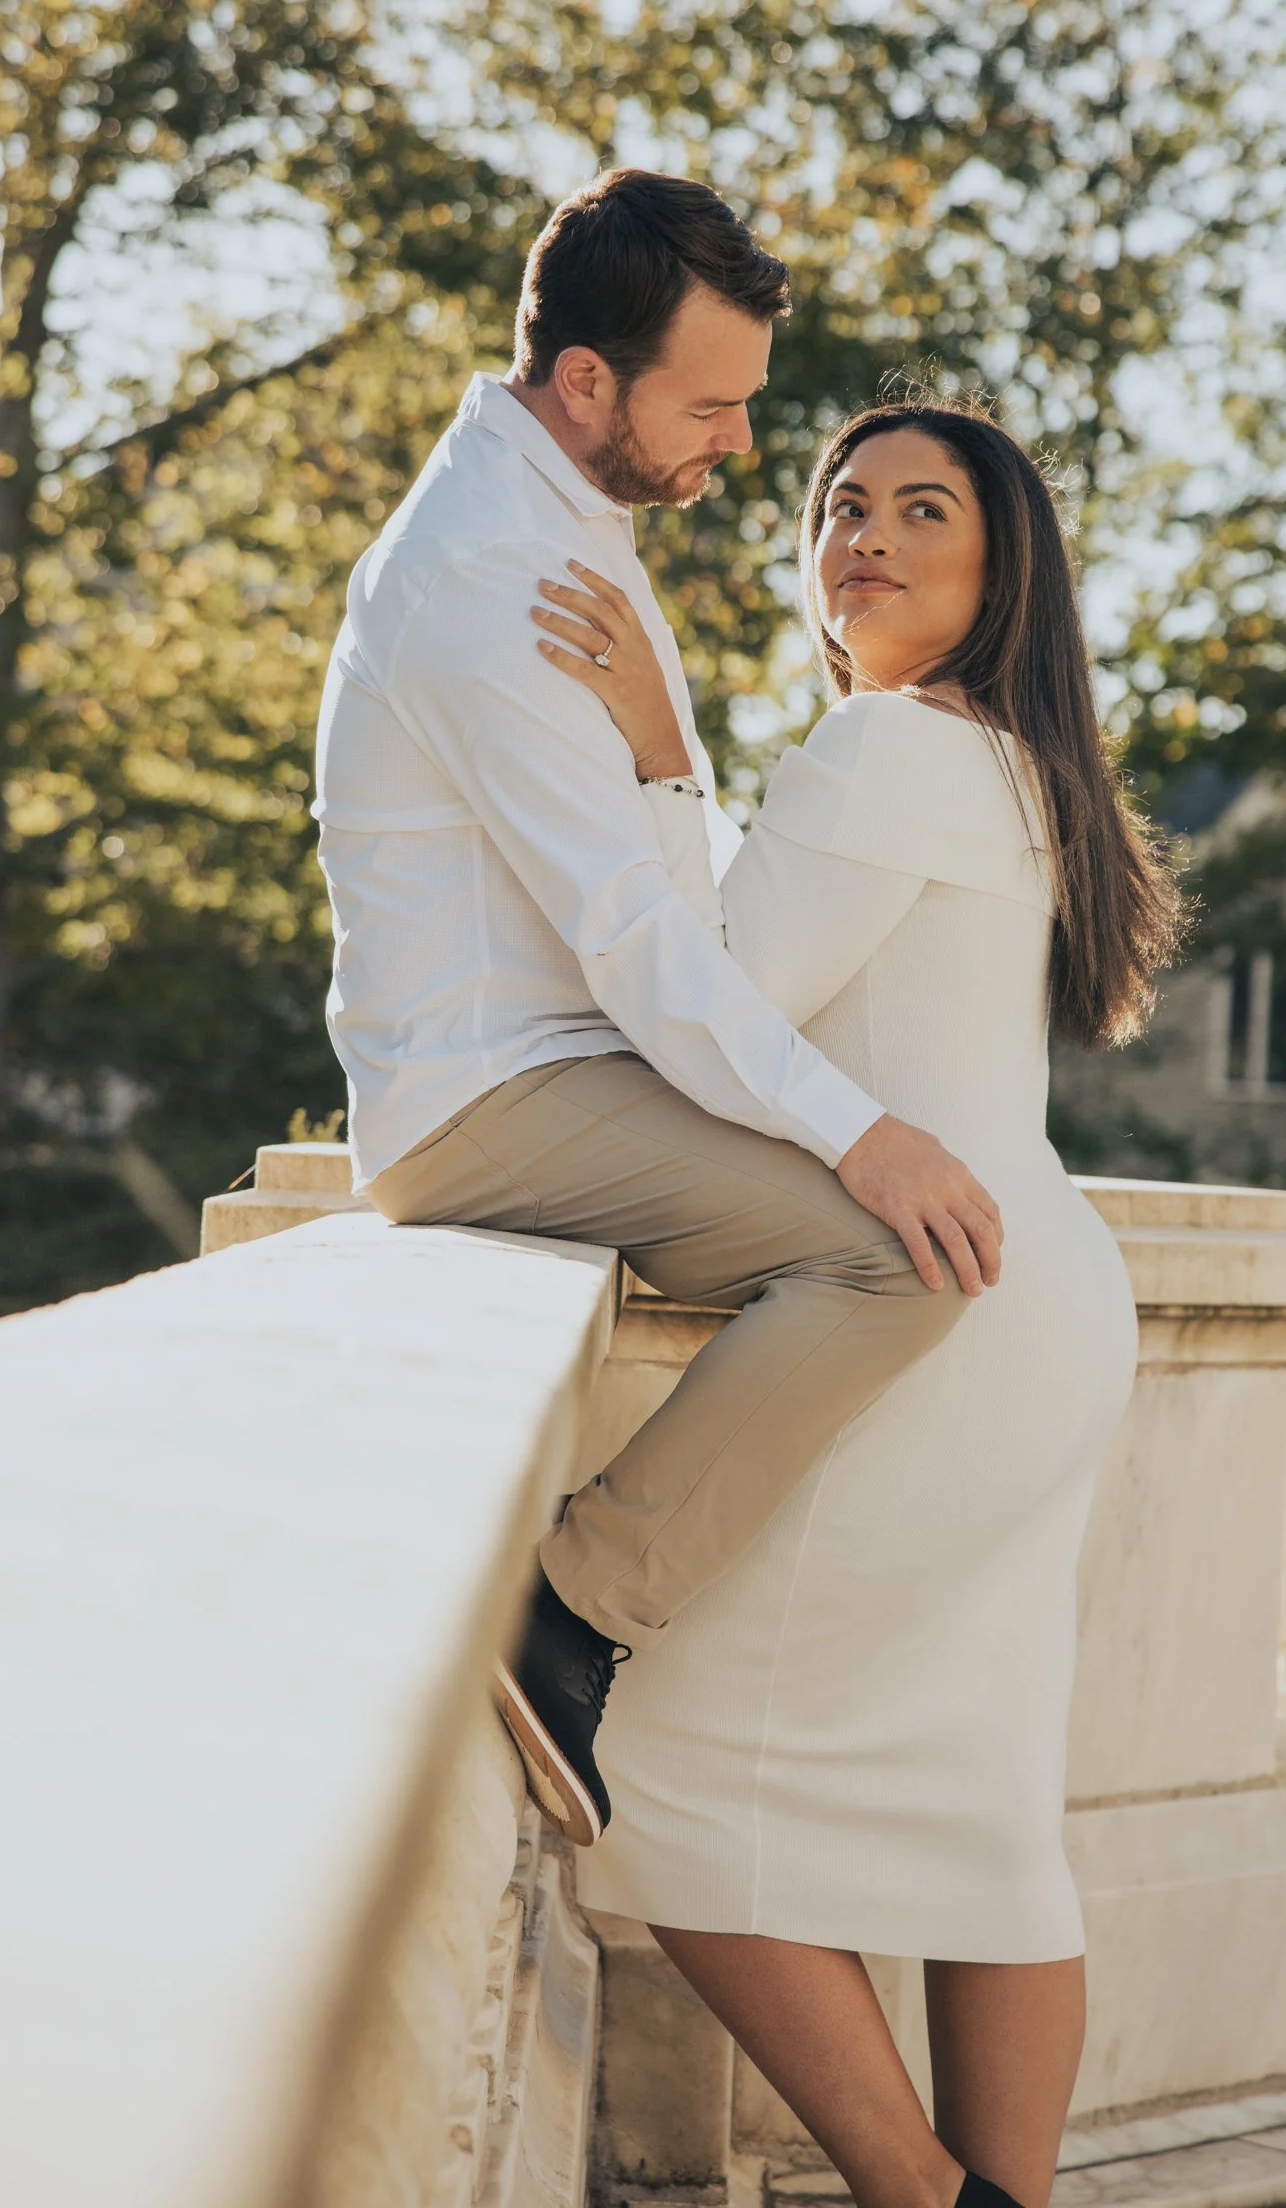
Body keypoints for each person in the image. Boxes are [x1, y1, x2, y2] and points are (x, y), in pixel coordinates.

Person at [536, 398, 1181, 2208]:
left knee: (645, 1768)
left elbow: (712, 1008)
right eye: (839, 504)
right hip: (1027, 1295)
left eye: (921, 512)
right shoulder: (1013, 764)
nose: (864, 536)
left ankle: (921, 2195)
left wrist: (664, 766)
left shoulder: (885, 749)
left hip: (936, 1313)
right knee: (982, 1810)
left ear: (1001, 573)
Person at [313, 170, 1005, 1851]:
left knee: (889, 1237)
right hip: (497, 1097)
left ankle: (568, 1604)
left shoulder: (565, 524)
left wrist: (663, 752)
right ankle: (565, 1608)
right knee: (884, 1252)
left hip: (567, 1066)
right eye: (714, 406)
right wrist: (867, 1134)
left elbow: (663, 907)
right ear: (585, 385)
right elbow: (646, 946)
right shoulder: (490, 578)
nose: (746, 449)